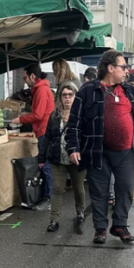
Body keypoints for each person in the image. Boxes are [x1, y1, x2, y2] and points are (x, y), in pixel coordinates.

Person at [66, 50, 134, 245]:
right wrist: (73, 147)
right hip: (97, 151)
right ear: (111, 68)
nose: (126, 71)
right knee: (99, 192)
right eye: (123, 67)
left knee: (126, 189)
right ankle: (100, 229)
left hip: (126, 151)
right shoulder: (87, 91)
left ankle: (120, 224)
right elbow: (74, 123)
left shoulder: (130, 91)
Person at [38, 82, 86, 234]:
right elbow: (47, 138)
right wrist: (41, 157)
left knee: (78, 188)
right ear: (60, 97)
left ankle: (80, 211)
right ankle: (54, 220)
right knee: (57, 189)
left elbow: (87, 137)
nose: (67, 98)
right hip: (57, 158)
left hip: (76, 159)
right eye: (64, 95)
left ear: (75, 96)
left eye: (70, 95)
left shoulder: (81, 114)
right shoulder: (54, 115)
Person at [13, 64, 55, 204]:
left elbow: (38, 115)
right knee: (45, 164)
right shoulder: (40, 89)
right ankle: (47, 196)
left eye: (25, 77)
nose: (24, 80)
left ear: (32, 76)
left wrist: (21, 119)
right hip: (42, 130)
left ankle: (48, 198)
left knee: (46, 165)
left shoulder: (41, 90)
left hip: (44, 131)